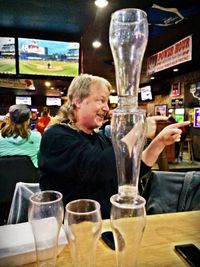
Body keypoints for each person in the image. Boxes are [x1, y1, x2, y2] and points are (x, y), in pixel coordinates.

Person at [39, 74, 190, 218]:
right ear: (78, 101)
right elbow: (98, 167)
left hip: (105, 225)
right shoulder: (56, 136)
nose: (106, 108)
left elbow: (129, 168)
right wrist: (139, 130)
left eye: (107, 103)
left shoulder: (99, 138)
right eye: (100, 100)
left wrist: (159, 142)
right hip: (70, 229)